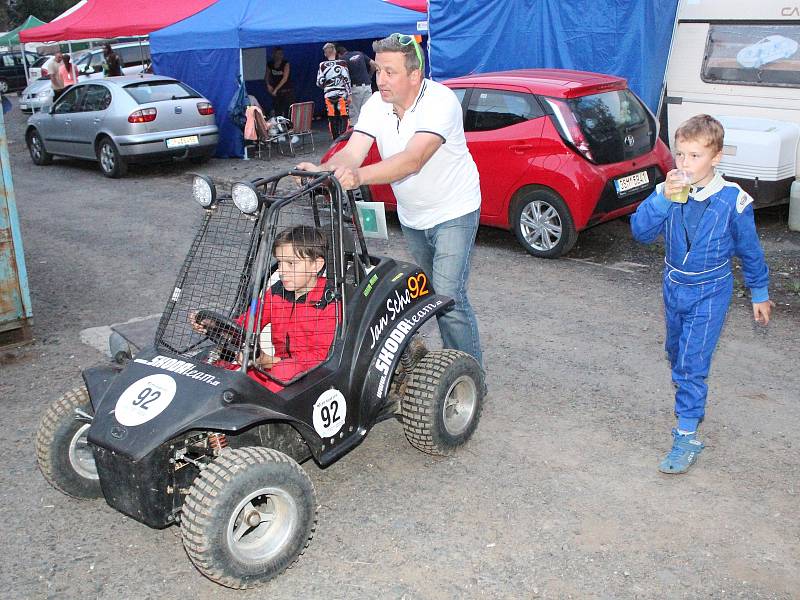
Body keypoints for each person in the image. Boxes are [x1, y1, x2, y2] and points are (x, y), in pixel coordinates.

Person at [299, 33, 483, 366]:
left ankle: (469, 374)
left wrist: (360, 177)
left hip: (455, 209)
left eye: (389, 72)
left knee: (448, 296)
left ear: (415, 76)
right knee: (430, 296)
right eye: (378, 71)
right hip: (414, 216)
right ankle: (436, 365)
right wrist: (321, 170)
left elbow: (413, 159)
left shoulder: (441, 101)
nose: (380, 79)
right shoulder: (375, 105)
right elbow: (353, 152)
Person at [630, 114, 773, 475]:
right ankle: (687, 397)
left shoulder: (733, 201)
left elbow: (750, 250)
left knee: (692, 365)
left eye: (695, 156)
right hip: (673, 283)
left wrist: (759, 291)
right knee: (676, 354)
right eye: (680, 154)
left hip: (711, 289)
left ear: (716, 157)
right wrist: (662, 198)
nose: (685, 163)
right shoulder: (670, 189)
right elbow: (641, 232)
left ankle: (686, 435)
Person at [191, 226, 338, 393]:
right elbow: (248, 323)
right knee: (209, 359)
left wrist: (271, 361)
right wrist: (215, 325)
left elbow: (319, 359)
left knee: (282, 371)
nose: (282, 271)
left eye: (291, 264)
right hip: (277, 368)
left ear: (316, 266)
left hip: (312, 378)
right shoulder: (276, 293)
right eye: (281, 262)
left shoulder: (328, 303)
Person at [316, 42, 351, 140]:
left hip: (329, 95)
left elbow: (319, 82)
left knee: (332, 117)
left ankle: (335, 139)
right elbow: (346, 79)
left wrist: (327, 85)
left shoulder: (322, 65)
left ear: (325, 54)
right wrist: (349, 94)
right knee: (344, 116)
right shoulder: (342, 63)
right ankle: (343, 139)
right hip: (341, 95)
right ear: (335, 51)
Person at [336, 44, 376, 126]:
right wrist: (370, 76)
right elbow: (374, 64)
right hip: (367, 86)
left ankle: (356, 136)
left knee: (355, 116)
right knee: (367, 113)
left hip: (355, 89)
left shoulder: (342, 60)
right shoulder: (360, 54)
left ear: (339, 54)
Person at [265, 47, 294, 119]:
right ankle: (280, 125)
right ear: (274, 54)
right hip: (276, 93)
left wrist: (276, 89)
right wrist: (268, 85)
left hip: (286, 90)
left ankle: (289, 126)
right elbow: (266, 76)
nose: (279, 56)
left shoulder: (285, 64)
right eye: (277, 54)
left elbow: (285, 78)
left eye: (281, 54)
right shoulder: (270, 64)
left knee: (288, 110)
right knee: (278, 110)